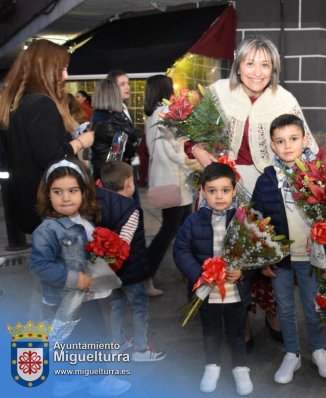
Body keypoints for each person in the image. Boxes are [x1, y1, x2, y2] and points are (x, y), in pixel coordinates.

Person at [191, 36, 321, 343]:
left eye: (265, 64)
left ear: (274, 67)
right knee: (233, 257)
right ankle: (243, 321)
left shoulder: (284, 99)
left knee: (271, 254)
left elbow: (309, 147)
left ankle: (275, 315)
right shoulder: (217, 93)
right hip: (225, 187)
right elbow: (190, 133)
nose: (257, 71)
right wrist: (196, 149)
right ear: (238, 65)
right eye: (250, 63)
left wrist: (322, 188)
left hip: (269, 188)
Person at [29, 158, 131, 396]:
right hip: (65, 299)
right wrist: (75, 279)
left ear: (84, 193)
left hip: (86, 297)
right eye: (58, 192)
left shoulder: (83, 222)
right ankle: (75, 381)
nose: (66, 198)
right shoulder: (47, 230)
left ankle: (91, 379)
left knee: (92, 336)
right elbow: (40, 266)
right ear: (47, 194)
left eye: (72, 191)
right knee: (70, 340)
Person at [251, 114, 326, 384]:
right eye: (280, 141)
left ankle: (319, 349)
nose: (287, 146)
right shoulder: (267, 179)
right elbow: (257, 219)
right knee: (285, 308)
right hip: (281, 260)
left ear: (305, 139)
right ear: (272, 146)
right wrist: (263, 257)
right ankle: (292, 353)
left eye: (293, 139)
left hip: (311, 257)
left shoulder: (321, 174)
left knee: (313, 307)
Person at [173, 163, 253, 396]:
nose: (219, 196)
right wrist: (200, 275)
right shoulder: (193, 221)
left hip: (235, 291)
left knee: (237, 333)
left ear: (234, 190)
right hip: (206, 291)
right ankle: (212, 366)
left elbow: (255, 253)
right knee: (210, 332)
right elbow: (180, 250)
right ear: (203, 191)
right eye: (212, 190)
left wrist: (243, 271)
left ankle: (240, 368)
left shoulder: (243, 222)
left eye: (225, 190)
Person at [0, 39, 95, 234]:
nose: (66, 76)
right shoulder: (41, 104)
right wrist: (80, 142)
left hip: (29, 202)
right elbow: (50, 157)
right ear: (45, 69)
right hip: (49, 204)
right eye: (62, 69)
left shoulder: (20, 102)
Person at [97, 161, 166, 362]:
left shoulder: (97, 202)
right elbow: (124, 243)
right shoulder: (131, 209)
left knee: (116, 305)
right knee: (139, 306)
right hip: (131, 270)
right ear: (129, 183)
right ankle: (140, 349)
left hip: (109, 271)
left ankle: (116, 344)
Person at [144, 74, 199, 297]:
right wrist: (197, 164)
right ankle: (145, 274)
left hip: (171, 180)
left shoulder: (151, 115)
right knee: (169, 230)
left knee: (184, 229)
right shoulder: (163, 114)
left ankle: (187, 269)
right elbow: (175, 150)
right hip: (174, 181)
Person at [90, 79, 139, 180]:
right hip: (111, 177)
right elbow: (123, 150)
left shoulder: (100, 117)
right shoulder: (108, 123)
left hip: (106, 173)